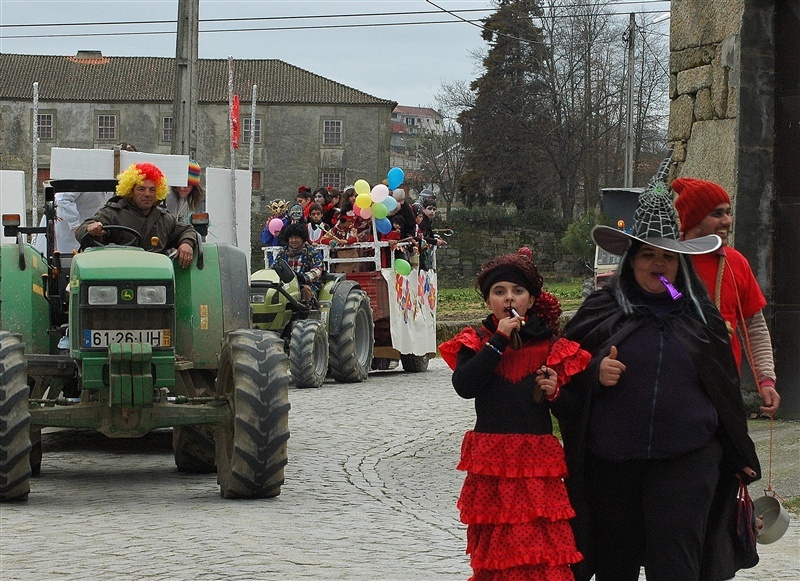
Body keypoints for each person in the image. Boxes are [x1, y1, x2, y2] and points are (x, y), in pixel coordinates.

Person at [561, 186, 761, 581]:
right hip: (613, 465)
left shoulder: (698, 317)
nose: (658, 264)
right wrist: (593, 372)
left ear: (680, 264)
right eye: (648, 254)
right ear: (631, 261)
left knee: (676, 566)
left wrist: (740, 453)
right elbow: (561, 373)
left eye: (668, 256)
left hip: (686, 461)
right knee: (614, 563)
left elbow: (723, 388)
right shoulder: (601, 311)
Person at [439, 248, 589, 581]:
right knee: (497, 552)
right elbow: (465, 385)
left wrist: (556, 393)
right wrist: (499, 340)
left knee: (540, 550)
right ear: (489, 301)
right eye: (500, 291)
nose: (509, 298)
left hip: (536, 464)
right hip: (491, 463)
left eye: (518, 291)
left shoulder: (552, 346)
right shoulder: (476, 342)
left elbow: (574, 410)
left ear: (532, 300)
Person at [672, 177, 780, 415]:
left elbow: (754, 326)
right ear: (693, 218)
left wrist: (766, 380)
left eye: (728, 212)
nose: (727, 221)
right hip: (674, 389)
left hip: (724, 389)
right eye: (717, 214)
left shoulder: (736, 263)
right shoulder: (667, 261)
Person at [76, 162, 197, 269]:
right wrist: (91, 229)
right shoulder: (113, 213)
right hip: (118, 275)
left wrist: (187, 243)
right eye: (141, 189)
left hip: (155, 279)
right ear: (130, 191)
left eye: (152, 190)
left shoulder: (163, 219)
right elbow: (82, 231)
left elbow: (187, 230)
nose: (147, 194)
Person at [274, 222, 324, 304]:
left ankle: (306, 312)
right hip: (286, 286)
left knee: (305, 289)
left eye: (297, 238)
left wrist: (303, 278)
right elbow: (274, 268)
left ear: (302, 239)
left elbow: (318, 269)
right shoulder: (282, 253)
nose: (294, 240)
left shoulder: (312, 252)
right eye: (291, 238)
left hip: (308, 285)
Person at [165, 160, 204, 224]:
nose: (182, 188)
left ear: (194, 186)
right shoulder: (170, 194)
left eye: (187, 184)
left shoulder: (183, 196)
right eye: (179, 184)